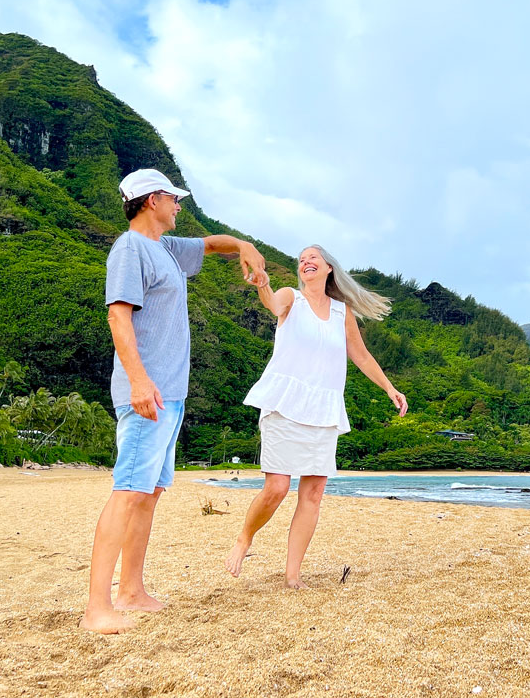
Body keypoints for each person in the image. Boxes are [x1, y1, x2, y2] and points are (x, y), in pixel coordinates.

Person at [80, 168, 266, 634]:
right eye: (173, 198)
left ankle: (131, 591)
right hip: (148, 393)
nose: (179, 205)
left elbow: (209, 244)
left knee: (149, 493)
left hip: (171, 395)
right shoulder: (129, 248)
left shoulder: (165, 248)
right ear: (151, 200)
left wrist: (245, 247)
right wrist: (140, 382)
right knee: (127, 491)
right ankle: (96, 609)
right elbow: (118, 317)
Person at [224, 244, 408, 588]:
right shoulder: (290, 297)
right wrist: (263, 283)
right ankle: (244, 537)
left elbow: (362, 357)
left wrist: (389, 388)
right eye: (302, 260)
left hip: (323, 409)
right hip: (284, 403)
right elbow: (272, 304)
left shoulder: (342, 312)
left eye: (314, 258)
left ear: (328, 270)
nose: (306, 262)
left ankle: (293, 576)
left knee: (312, 494)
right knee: (277, 487)